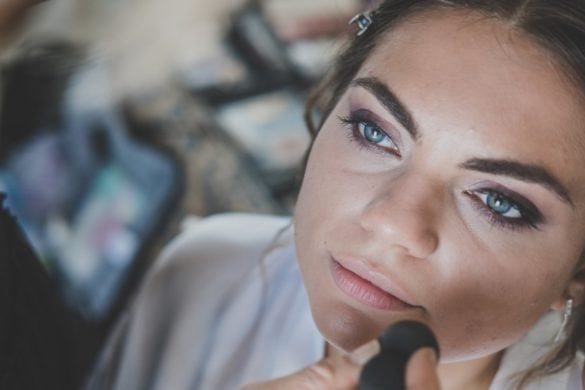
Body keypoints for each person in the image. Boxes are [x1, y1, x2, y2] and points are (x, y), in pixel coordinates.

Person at [87, 0, 585, 388]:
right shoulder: (206, 269)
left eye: (499, 202)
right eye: (374, 132)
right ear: (328, 107)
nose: (391, 220)